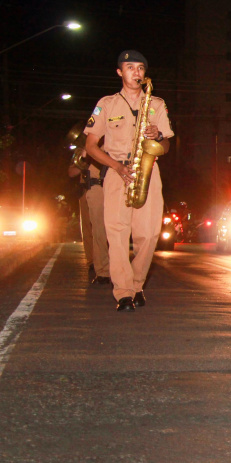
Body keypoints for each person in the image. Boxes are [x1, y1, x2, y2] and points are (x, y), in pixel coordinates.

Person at [83, 50, 173, 312]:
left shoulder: (156, 103)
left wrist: (157, 137)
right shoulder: (107, 104)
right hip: (116, 170)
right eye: (130, 67)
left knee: (149, 234)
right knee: (118, 233)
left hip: (148, 170)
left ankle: (136, 284)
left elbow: (166, 145)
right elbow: (91, 146)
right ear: (120, 72)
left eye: (141, 68)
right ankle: (123, 293)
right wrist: (117, 167)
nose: (136, 72)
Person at [67, 144, 111, 285]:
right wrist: (84, 162)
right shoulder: (84, 150)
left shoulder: (112, 141)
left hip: (109, 187)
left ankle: (107, 264)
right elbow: (71, 172)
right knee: (89, 227)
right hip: (89, 189)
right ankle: (93, 261)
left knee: (105, 229)